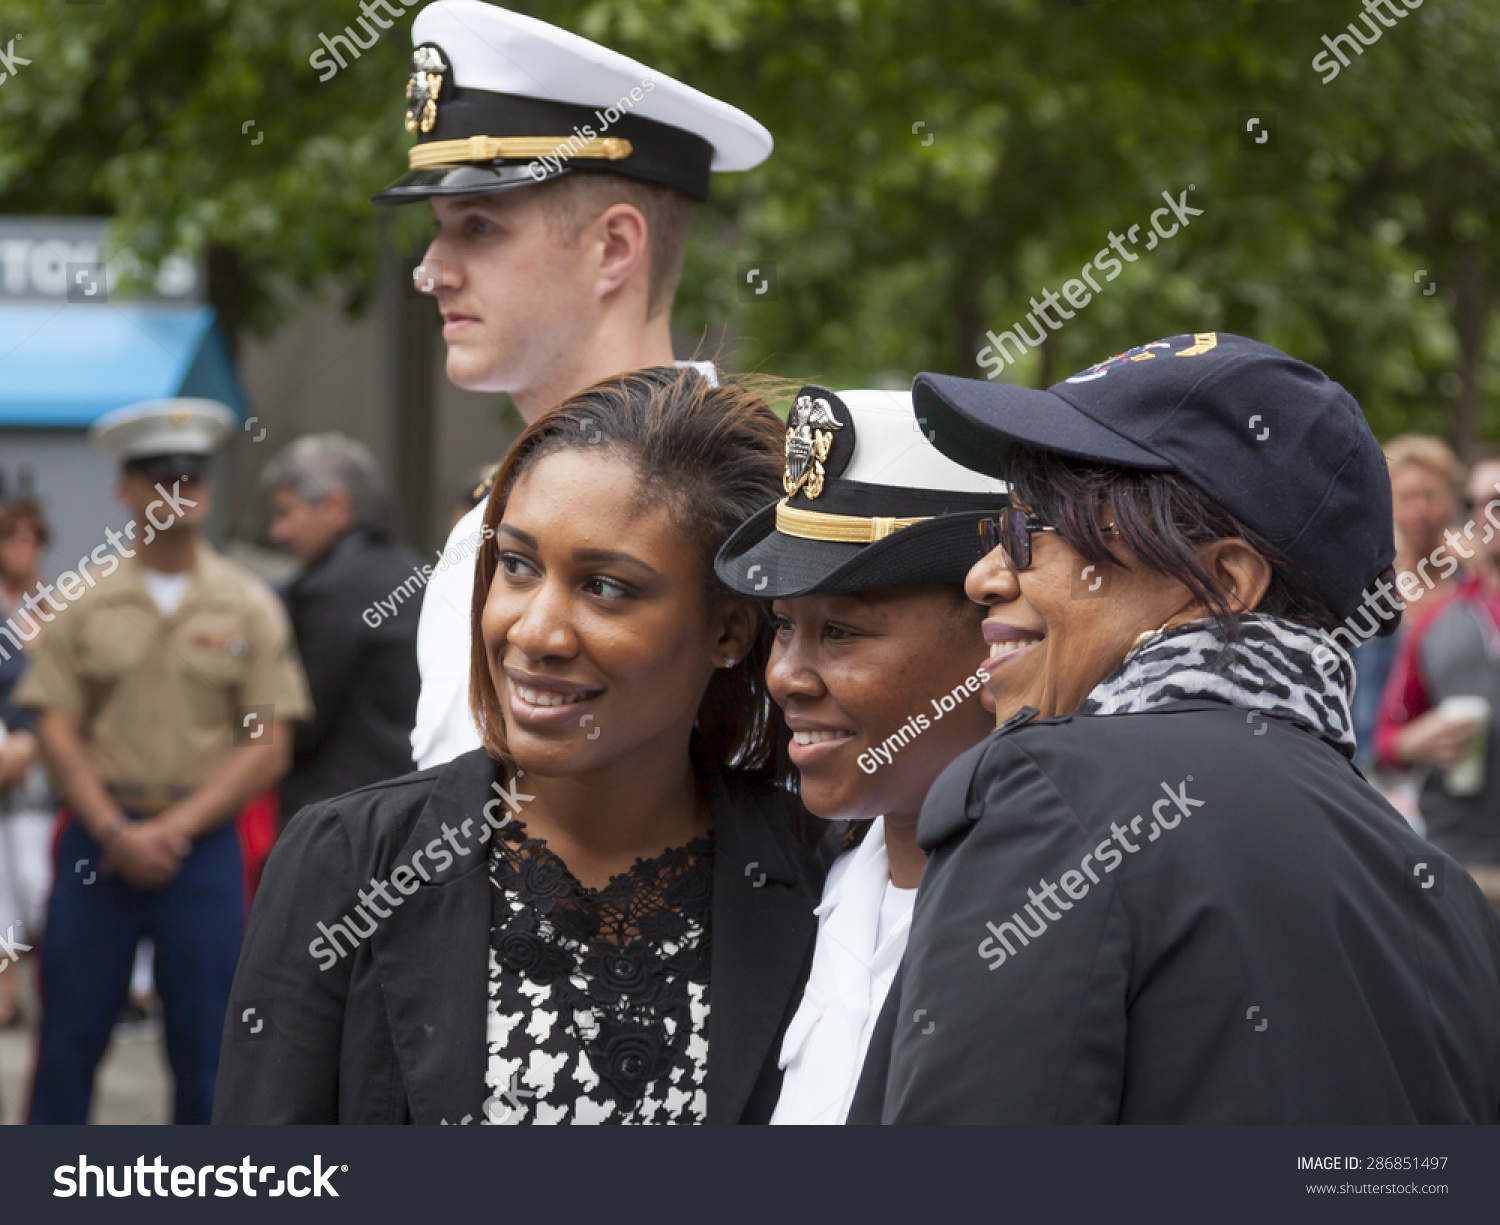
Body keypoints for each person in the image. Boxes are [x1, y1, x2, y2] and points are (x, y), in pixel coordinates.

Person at [854, 333, 1500, 1123]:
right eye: (996, 533)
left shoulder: (1052, 794)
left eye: (1031, 531)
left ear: (1225, 582)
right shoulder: (1446, 899)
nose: (984, 575)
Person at [214, 368, 838, 1125]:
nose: (534, 631)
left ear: (729, 629)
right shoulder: (345, 862)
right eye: (517, 565)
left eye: (606, 586)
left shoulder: (822, 876)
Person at [370, 0, 772, 770]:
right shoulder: (487, 524)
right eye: (436, 229)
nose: (431, 271)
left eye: (479, 227)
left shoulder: (749, 513)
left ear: (614, 248)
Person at [15, 398, 311, 1124]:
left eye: (191, 475)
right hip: (99, 841)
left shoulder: (246, 604)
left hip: (200, 847)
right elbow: (55, 726)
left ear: (207, 489)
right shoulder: (84, 603)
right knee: (67, 1041)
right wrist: (117, 829)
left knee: (209, 1048)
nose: (177, 491)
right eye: (157, 476)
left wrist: (170, 828)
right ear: (125, 489)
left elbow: (268, 742)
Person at [715, 385, 1004, 1124]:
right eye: (783, 626)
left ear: (995, 636)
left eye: (840, 633)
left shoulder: (1061, 909)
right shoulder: (794, 874)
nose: (785, 674)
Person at [262, 433, 425, 822]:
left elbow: (296, 718)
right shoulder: (417, 573)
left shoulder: (328, 589)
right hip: (412, 813)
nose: (277, 532)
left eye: (285, 513)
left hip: (339, 824)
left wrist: (234, 724)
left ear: (335, 506)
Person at [1374, 450, 1500, 910]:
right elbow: (1385, 738)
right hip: (1455, 859)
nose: (1486, 518)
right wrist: (1417, 740)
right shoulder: (1436, 618)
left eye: (1498, 504)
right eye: (1477, 505)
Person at [1349, 435, 1464, 767]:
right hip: (1373, 766)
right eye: (1407, 497)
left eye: (1431, 496)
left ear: (1451, 499)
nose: (1421, 511)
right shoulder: (1366, 590)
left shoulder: (1469, 589)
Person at [0, 497, 57, 1028]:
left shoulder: (56, 605)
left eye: (31, 539)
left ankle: (56, 989)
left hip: (40, 773)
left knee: (37, 882)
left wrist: (31, 744)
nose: (23, 548)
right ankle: (5, 998)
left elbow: (69, 691)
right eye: (11, 538)